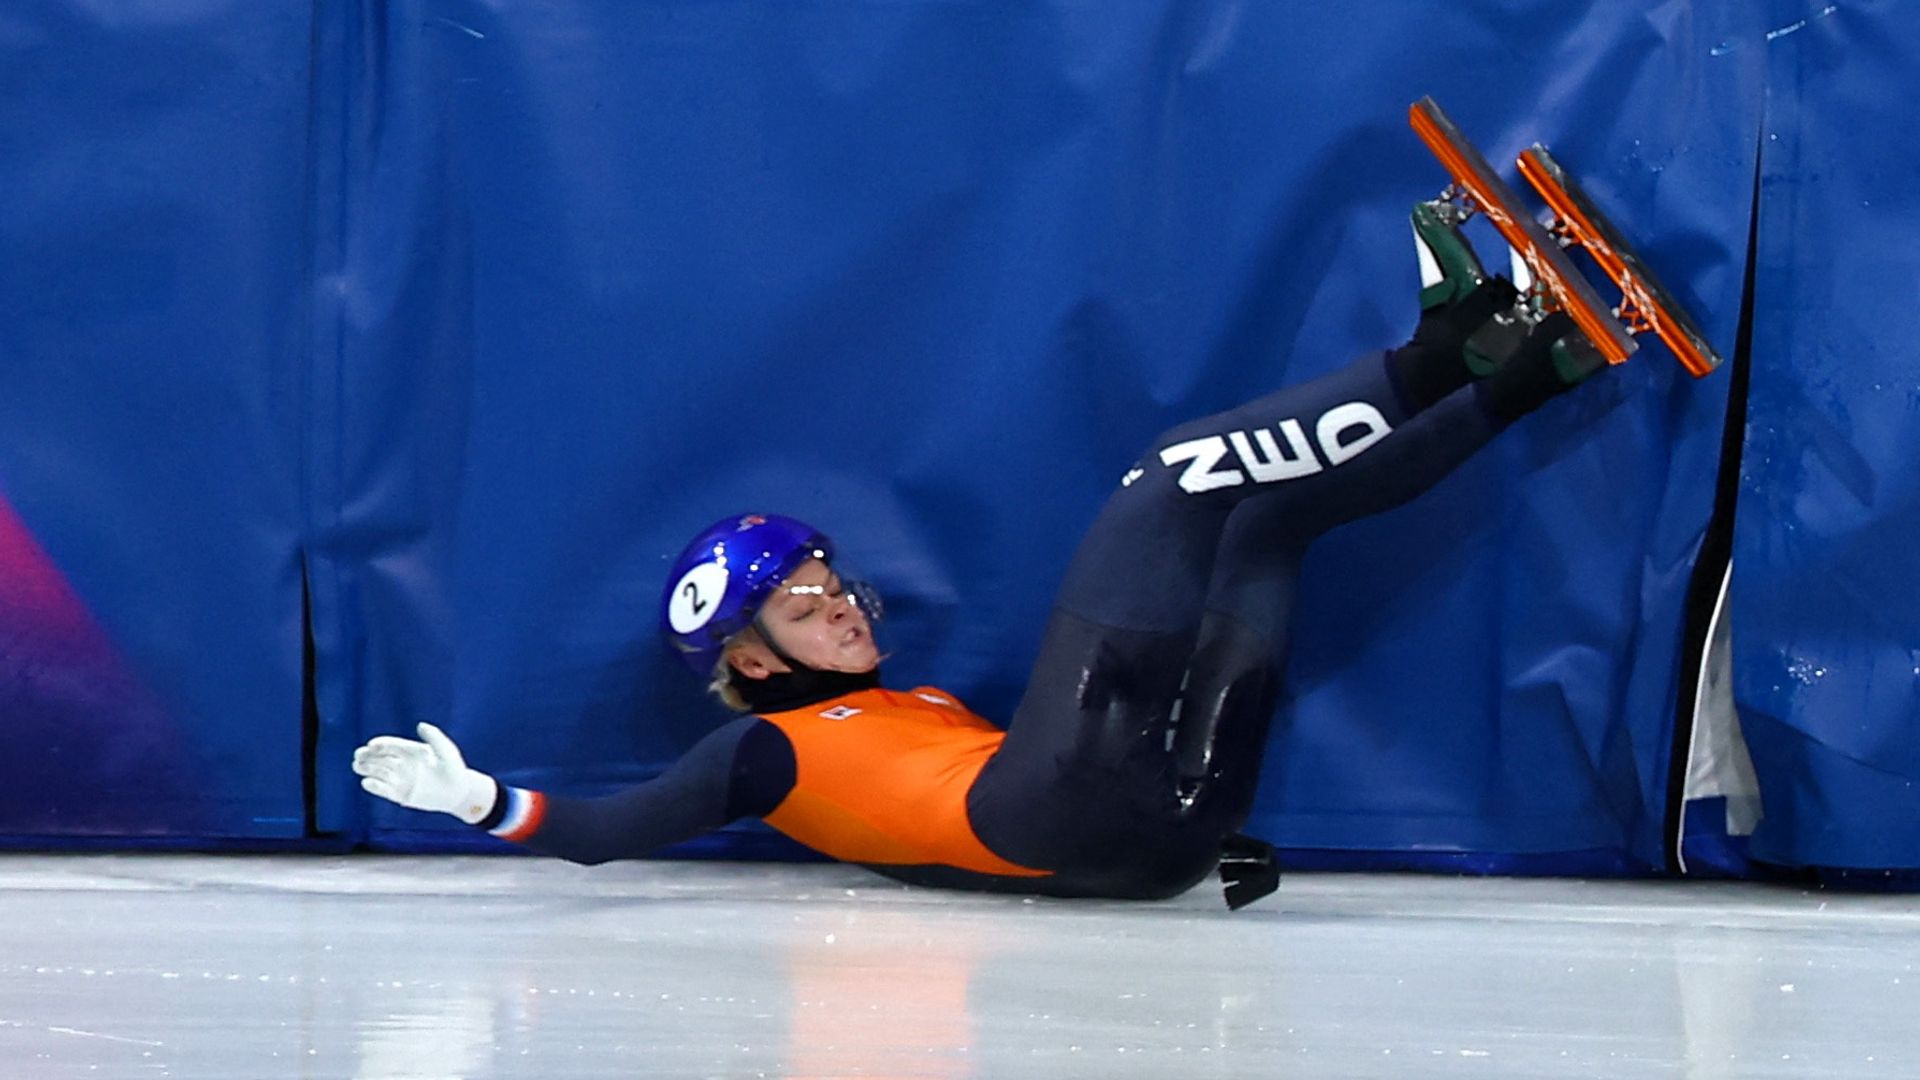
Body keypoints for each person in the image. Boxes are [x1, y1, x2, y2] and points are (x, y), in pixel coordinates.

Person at [353, 206, 1612, 908]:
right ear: (746, 656)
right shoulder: (758, 751)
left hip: (1156, 845)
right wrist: (478, 800)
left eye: (833, 582)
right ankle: (1449, 348)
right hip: (1075, 820)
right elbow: (610, 830)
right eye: (803, 603)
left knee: (1270, 522)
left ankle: (1527, 378)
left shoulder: (915, 705)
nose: (840, 606)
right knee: (1168, 485)